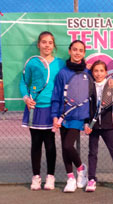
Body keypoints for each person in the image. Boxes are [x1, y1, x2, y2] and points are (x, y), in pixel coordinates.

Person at [19, 31, 65, 190]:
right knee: (36, 144)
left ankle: (50, 177)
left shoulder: (60, 63)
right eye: (44, 42)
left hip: (52, 109)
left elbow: (70, 77)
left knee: (50, 144)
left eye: (50, 42)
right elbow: (23, 82)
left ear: (54, 45)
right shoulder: (32, 63)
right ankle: (36, 177)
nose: (47, 45)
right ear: (38, 44)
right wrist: (26, 98)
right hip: (34, 108)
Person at [51, 40, 89, 193]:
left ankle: (81, 168)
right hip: (62, 115)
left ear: (84, 53)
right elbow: (56, 96)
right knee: (65, 148)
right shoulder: (62, 73)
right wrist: (55, 115)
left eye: (80, 50)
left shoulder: (88, 73)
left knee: (67, 145)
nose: (77, 52)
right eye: (75, 49)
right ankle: (70, 179)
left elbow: (91, 95)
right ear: (69, 51)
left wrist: (87, 119)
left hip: (78, 116)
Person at [84, 60, 113, 192]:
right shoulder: (89, 87)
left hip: (108, 125)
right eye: (96, 71)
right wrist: (87, 123)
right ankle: (91, 179)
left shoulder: (111, 85)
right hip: (94, 126)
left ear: (106, 72)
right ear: (92, 73)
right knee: (92, 153)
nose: (98, 73)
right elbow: (87, 108)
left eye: (101, 71)